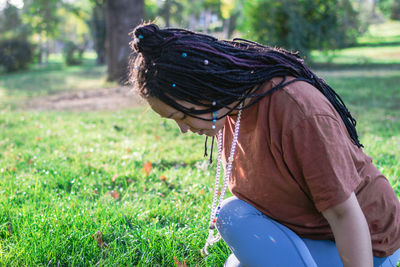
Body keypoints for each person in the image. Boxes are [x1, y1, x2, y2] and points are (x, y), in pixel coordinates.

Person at [129, 23, 400, 267]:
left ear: (202, 88)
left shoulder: (297, 111)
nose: (184, 128)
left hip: (368, 246)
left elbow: (345, 215)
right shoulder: (232, 111)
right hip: (308, 232)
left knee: (232, 217)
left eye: (181, 114)